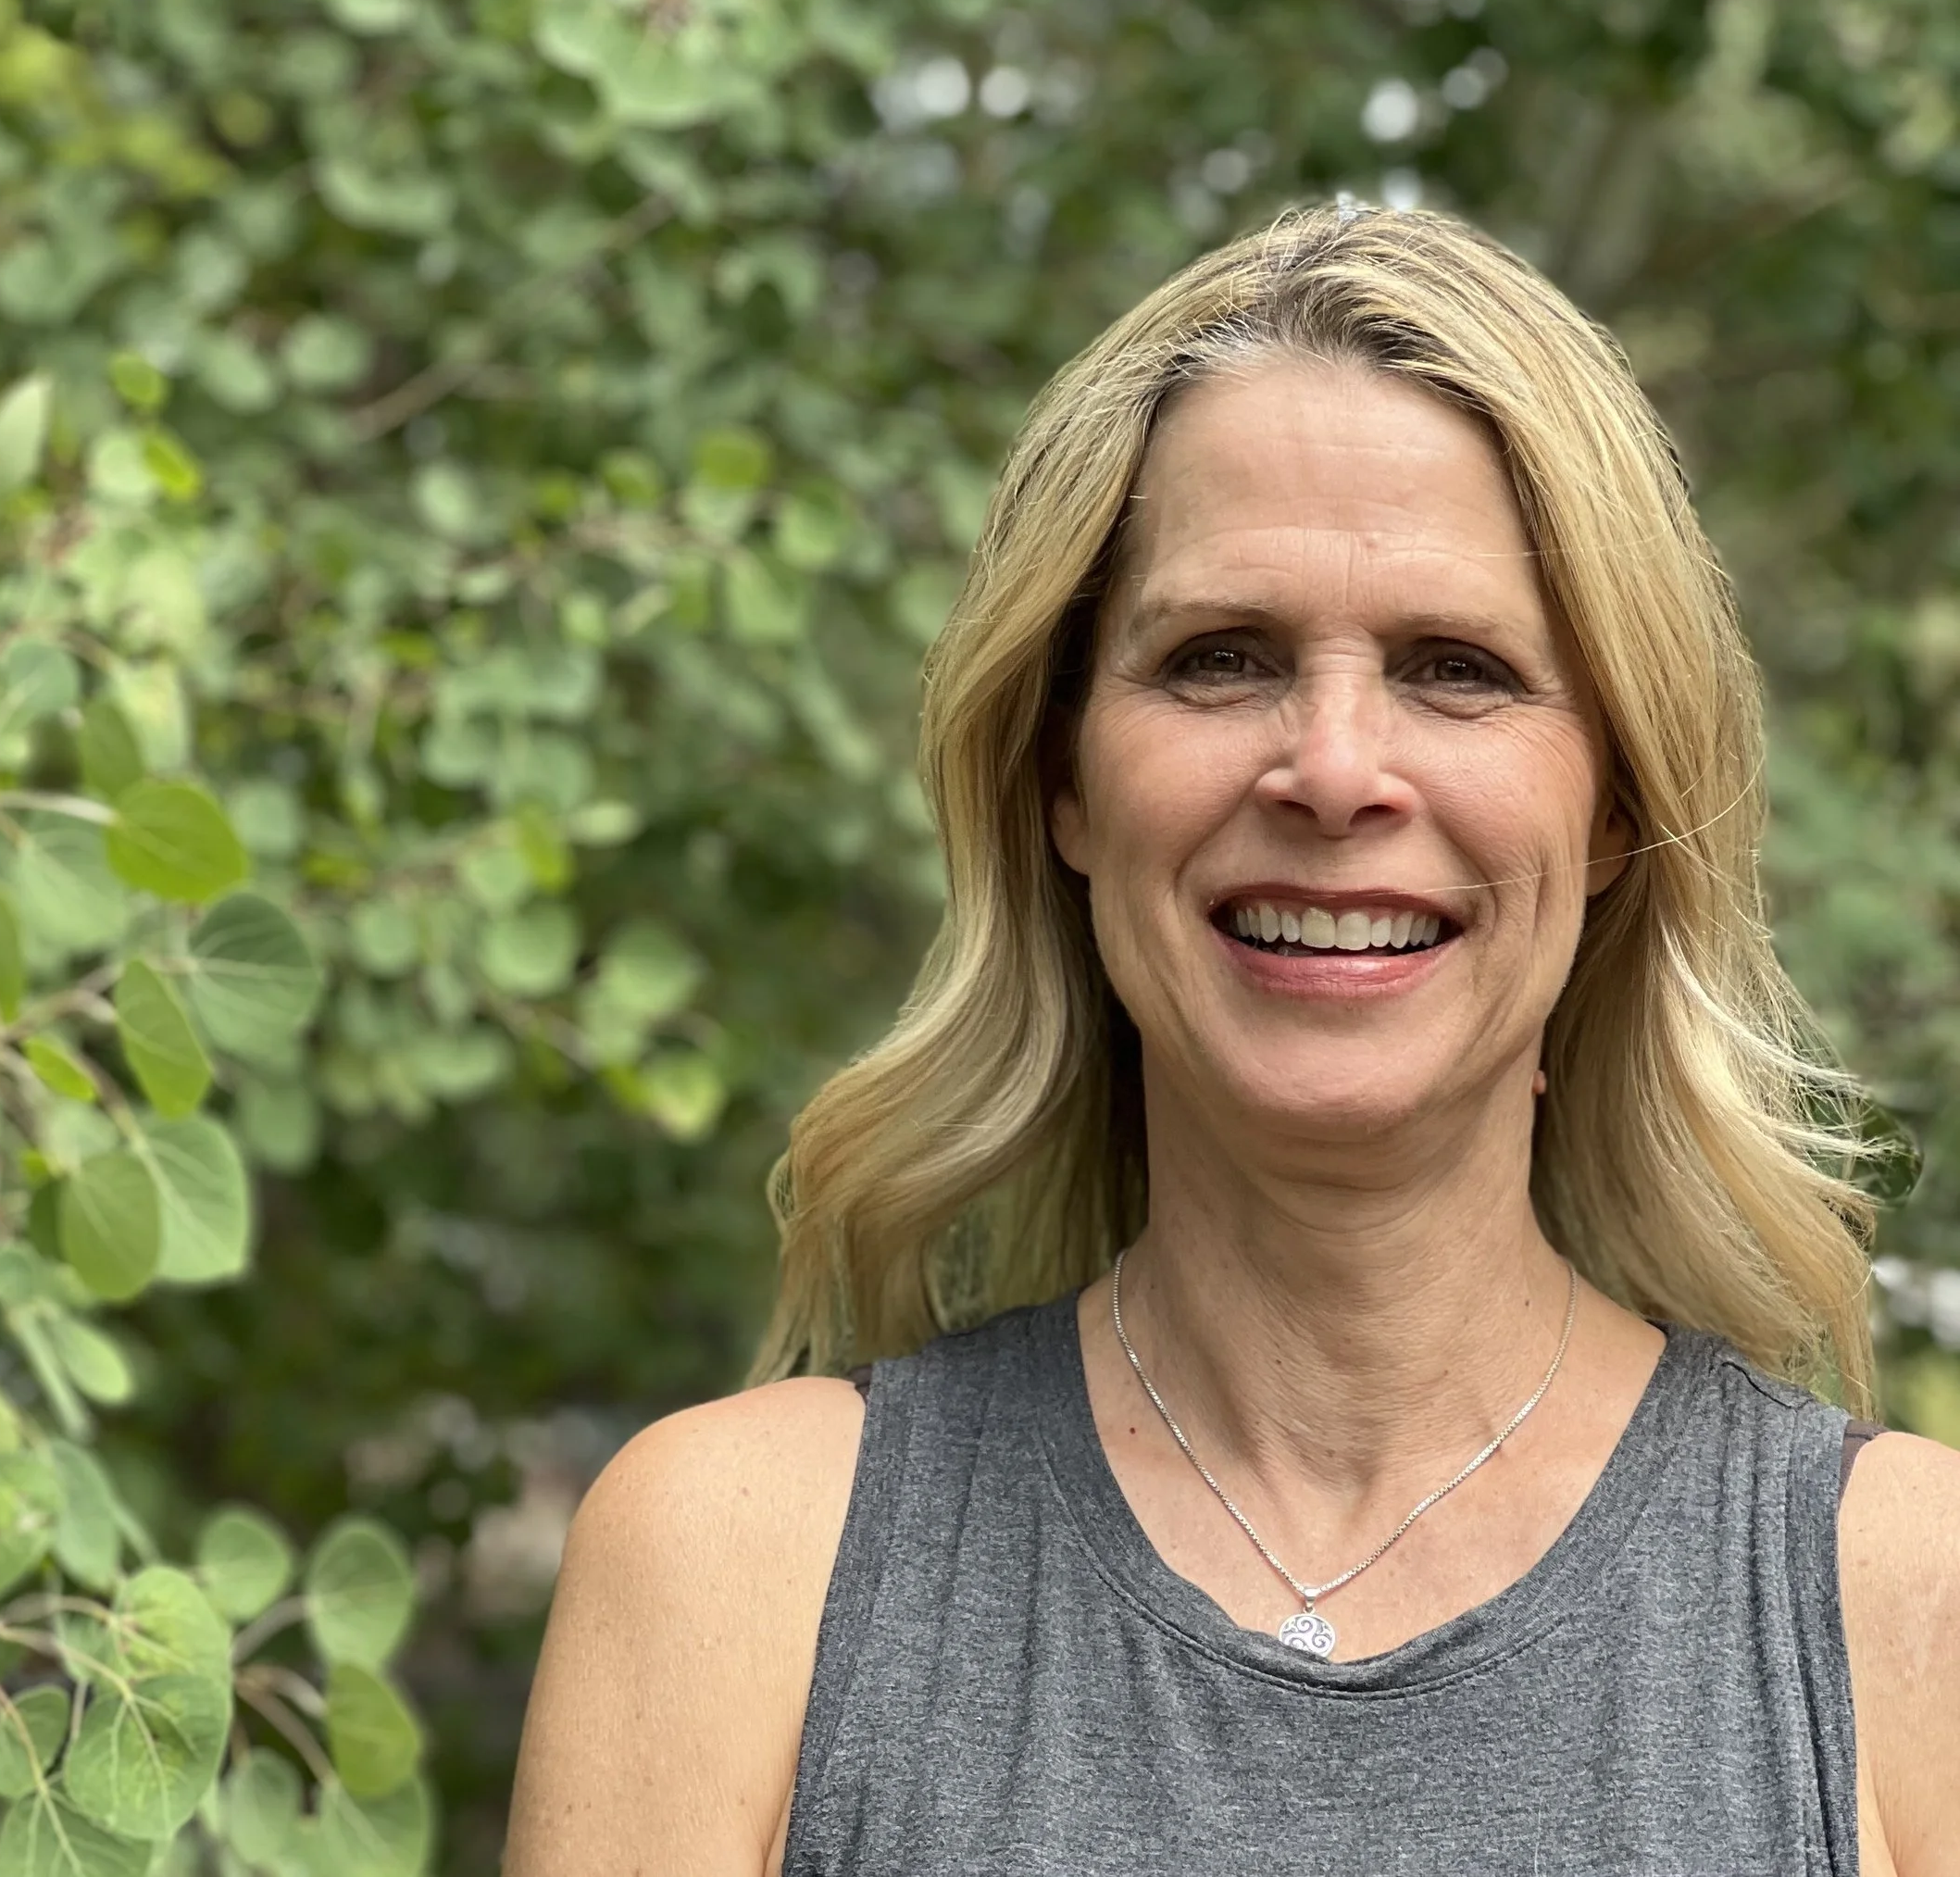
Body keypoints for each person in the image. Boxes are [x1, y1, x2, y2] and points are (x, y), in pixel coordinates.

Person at [503, 204, 1960, 1875]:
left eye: (1457, 669)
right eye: (1219, 660)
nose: (1334, 769)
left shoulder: (1909, 1611)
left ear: (1617, 805)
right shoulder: (733, 1573)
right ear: (1061, 781)